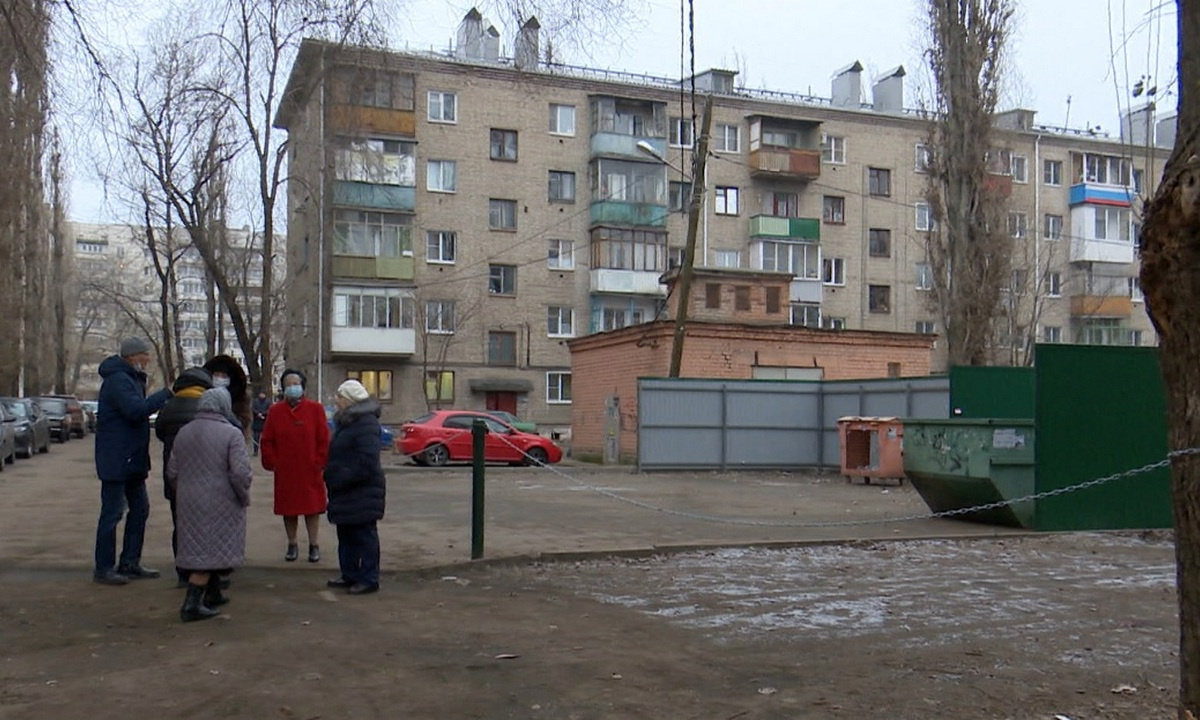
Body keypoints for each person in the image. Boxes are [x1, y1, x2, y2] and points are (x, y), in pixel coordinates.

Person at [168, 388, 253, 622]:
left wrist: (183, 492)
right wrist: (243, 494)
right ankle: (191, 605)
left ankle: (213, 593)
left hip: (189, 499)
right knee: (209, 550)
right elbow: (240, 472)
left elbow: (172, 471)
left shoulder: (184, 432)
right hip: (221, 499)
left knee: (202, 545)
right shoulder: (231, 434)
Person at [93, 337, 173, 586]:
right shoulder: (118, 380)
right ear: (132, 357)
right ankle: (104, 568)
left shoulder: (130, 379)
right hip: (117, 460)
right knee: (113, 513)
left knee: (139, 509)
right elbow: (135, 410)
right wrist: (165, 395)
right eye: (144, 355)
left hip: (131, 459)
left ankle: (129, 562)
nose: (147, 360)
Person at [260, 369, 329, 563]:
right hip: (286, 471)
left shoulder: (315, 409)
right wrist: (273, 462)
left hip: (310, 469)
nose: (292, 387)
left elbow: (324, 439)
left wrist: (319, 461)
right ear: (283, 388)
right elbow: (267, 440)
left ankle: (314, 545)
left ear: (303, 386)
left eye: (295, 383)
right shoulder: (275, 411)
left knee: (312, 509)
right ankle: (292, 544)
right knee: (289, 510)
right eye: (288, 384)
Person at [324, 380, 385, 595]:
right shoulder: (347, 422)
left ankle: (368, 578)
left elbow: (367, 461)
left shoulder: (366, 423)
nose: (336, 401)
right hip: (347, 489)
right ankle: (349, 574)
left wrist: (340, 477)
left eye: (339, 397)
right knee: (346, 534)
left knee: (363, 536)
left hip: (361, 489)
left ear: (349, 400)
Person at [154, 366, 214, 586]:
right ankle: (205, 572)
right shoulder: (208, 406)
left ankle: (182, 573)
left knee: (180, 524)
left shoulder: (168, 407)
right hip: (205, 474)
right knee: (205, 524)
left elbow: (160, 432)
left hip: (175, 476)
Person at [203, 355, 252, 441]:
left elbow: (243, 423)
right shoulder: (201, 395)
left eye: (224, 376)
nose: (220, 378)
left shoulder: (240, 398)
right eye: (217, 375)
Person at [251, 389, 270, 456]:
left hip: (265, 421)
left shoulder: (268, 401)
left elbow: (269, 409)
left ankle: (265, 451)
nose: (262, 395)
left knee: (265, 438)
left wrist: (263, 413)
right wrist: (258, 414)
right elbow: (253, 409)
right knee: (256, 437)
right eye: (261, 393)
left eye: (263, 394)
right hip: (256, 421)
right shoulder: (255, 401)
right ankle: (255, 451)